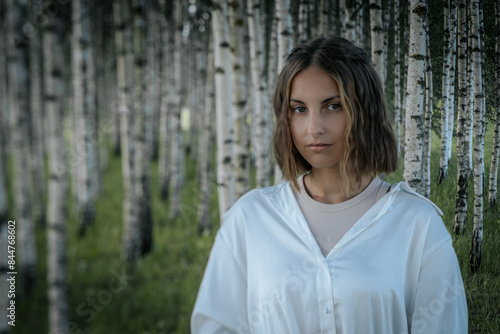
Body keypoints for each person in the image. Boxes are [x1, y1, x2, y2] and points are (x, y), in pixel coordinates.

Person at [191, 36, 467, 334]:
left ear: (365, 110)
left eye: (333, 106)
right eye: (299, 109)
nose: (314, 128)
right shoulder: (250, 218)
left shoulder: (418, 224)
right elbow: (216, 326)